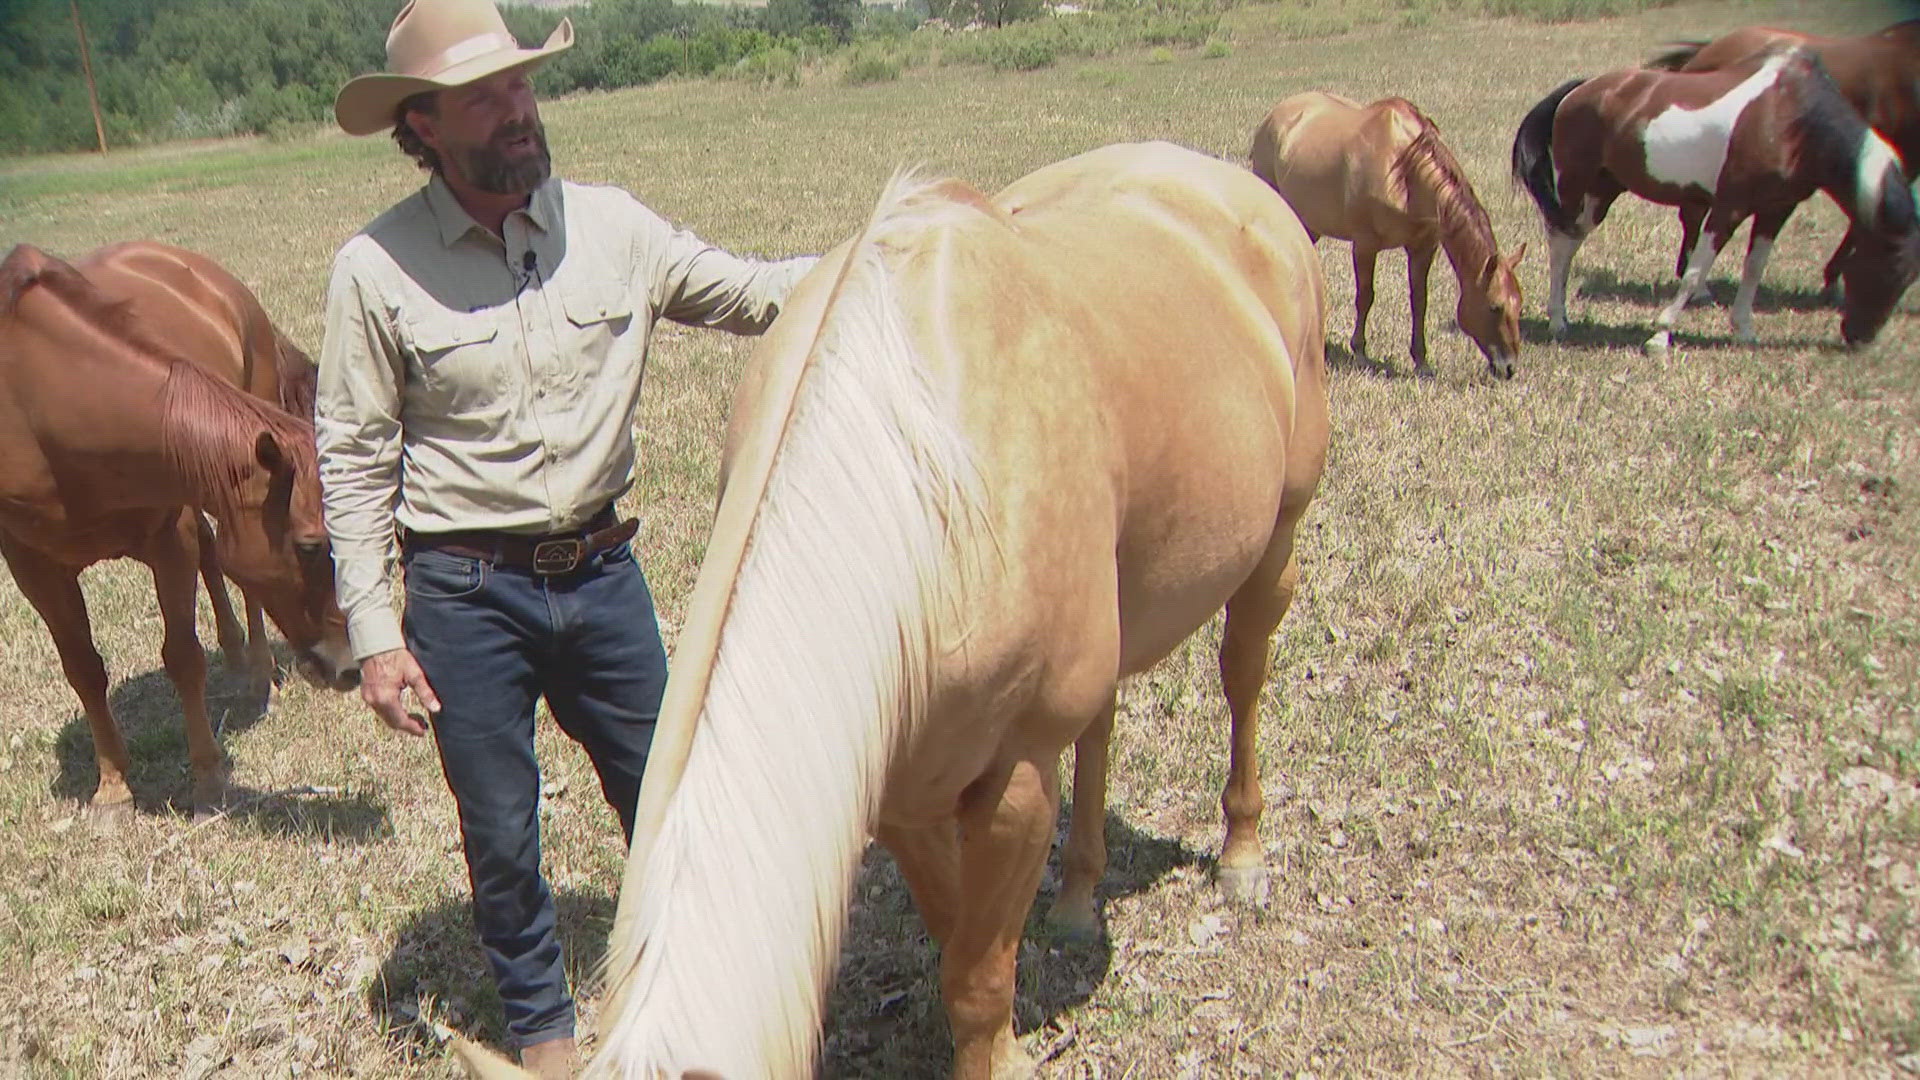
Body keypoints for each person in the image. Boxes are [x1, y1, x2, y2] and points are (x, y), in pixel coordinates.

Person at [315, 1, 817, 1074]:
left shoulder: (616, 228)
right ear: (425, 126)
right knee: (501, 838)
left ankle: (712, 1007)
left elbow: (752, 291)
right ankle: (545, 1040)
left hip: (602, 576)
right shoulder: (375, 269)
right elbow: (353, 457)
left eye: (522, 85)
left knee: (673, 806)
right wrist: (374, 633)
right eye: (486, 95)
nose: (518, 110)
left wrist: (885, 258)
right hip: (463, 595)